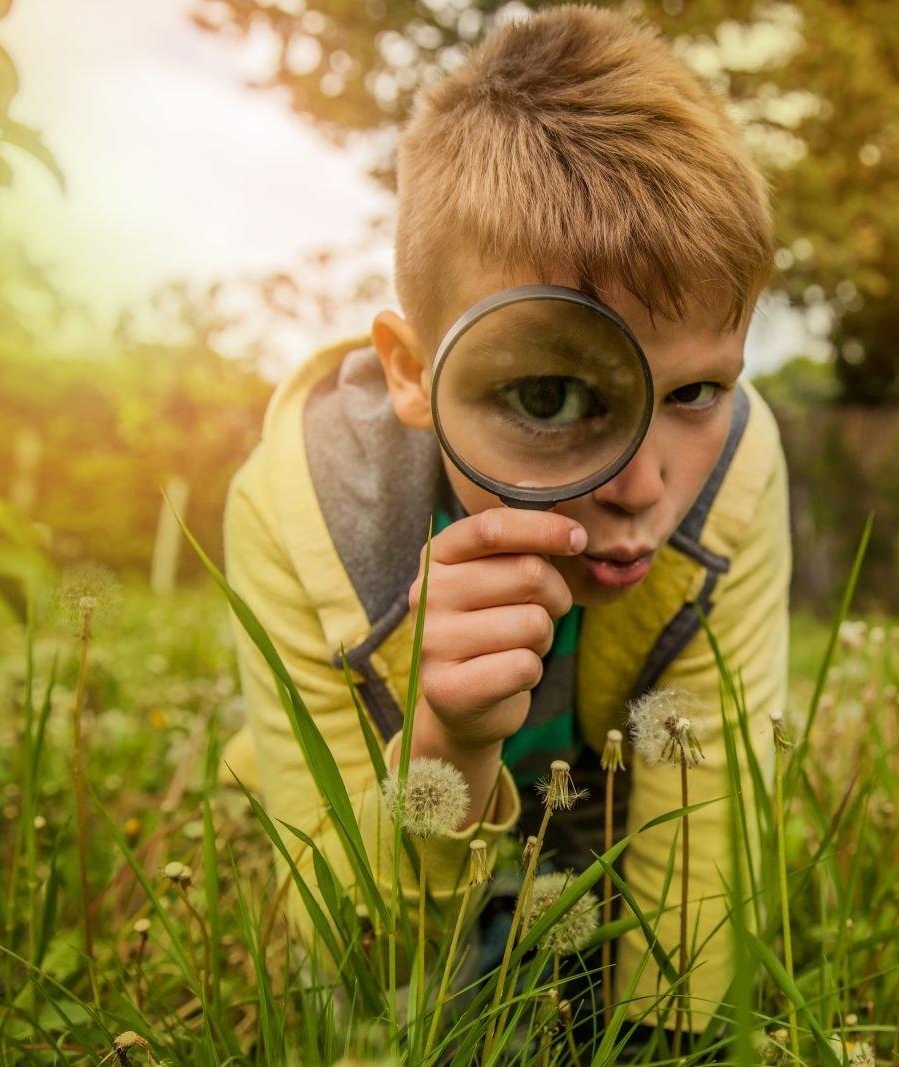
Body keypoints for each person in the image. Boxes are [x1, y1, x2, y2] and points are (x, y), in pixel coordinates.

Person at [218, 2, 790, 1047]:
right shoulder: (304, 511)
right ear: (410, 372)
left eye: (697, 391)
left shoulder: (736, 479)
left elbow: (700, 883)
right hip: (399, 833)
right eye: (547, 397)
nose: (644, 485)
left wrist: (671, 1039)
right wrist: (446, 748)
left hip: (593, 813)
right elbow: (357, 962)